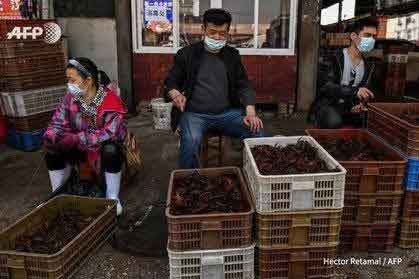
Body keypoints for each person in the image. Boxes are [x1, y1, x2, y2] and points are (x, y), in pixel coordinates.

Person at [164, 8, 264, 169]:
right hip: (195, 114)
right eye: (212, 32)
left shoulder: (232, 55)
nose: (217, 37)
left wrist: (251, 112)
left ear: (227, 32)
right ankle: (191, 183)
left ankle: (255, 177)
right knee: (190, 142)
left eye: (222, 33)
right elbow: (171, 81)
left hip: (227, 114)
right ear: (203, 29)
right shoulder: (187, 54)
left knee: (256, 129)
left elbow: (244, 84)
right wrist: (174, 93)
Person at [43, 58, 127, 215]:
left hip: (101, 149)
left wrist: (78, 138)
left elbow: (110, 133)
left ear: (88, 81)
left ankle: (113, 197)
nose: (69, 84)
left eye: (72, 80)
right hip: (78, 147)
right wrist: (51, 135)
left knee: (112, 150)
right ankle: (59, 194)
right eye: (68, 79)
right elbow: (58, 121)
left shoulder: (111, 101)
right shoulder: (70, 98)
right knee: (52, 150)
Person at [309, 17, 379, 129]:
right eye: (367, 35)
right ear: (353, 36)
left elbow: (364, 92)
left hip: (349, 107)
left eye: (374, 36)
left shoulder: (368, 66)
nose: (371, 40)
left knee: (371, 121)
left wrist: (359, 104)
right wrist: (355, 91)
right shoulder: (334, 57)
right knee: (333, 121)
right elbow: (326, 87)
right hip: (329, 104)